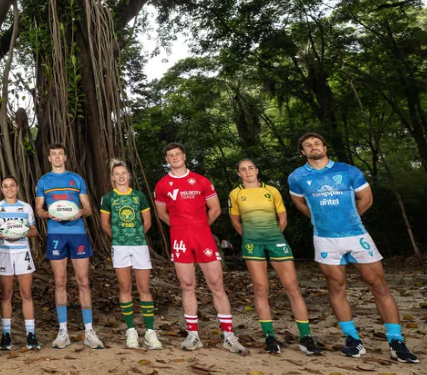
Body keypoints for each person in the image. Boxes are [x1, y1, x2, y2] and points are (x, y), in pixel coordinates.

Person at [289, 133, 418, 363]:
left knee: (378, 285)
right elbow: (299, 203)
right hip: (325, 238)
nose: (313, 147)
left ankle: (396, 341)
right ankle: (352, 339)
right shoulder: (297, 177)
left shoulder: (348, 170)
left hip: (357, 235)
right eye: (307, 145)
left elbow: (366, 199)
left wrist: (349, 219)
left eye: (317, 143)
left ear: (325, 147)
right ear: (302, 152)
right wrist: (320, 220)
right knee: (336, 286)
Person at [153, 143, 245, 354]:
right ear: (167, 159)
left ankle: (229, 335)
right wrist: (180, 227)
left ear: (184, 156)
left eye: (178, 154)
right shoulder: (162, 185)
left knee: (216, 284)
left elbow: (215, 209)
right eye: (170, 155)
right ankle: (193, 335)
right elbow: (161, 213)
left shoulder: (201, 181)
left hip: (202, 235)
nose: (175, 157)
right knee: (187, 285)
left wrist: (201, 226)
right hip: (180, 237)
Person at [228, 158, 322, 356]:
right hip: (252, 243)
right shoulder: (235, 193)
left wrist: (274, 235)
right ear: (238, 173)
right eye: (243, 169)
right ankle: (269, 337)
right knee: (261, 287)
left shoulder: (271, 190)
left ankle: (306, 337)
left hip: (275, 239)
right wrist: (248, 237)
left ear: (257, 170)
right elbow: (235, 221)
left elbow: (283, 217)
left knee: (292, 286)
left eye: (250, 168)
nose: (247, 172)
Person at [35, 143, 104, 349]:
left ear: (65, 157)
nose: (57, 157)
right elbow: (39, 210)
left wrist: (80, 212)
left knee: (83, 281)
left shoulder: (76, 179)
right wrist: (48, 214)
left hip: (77, 233)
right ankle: (63, 331)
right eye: (53, 154)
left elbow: (88, 208)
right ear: (49, 158)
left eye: (60, 154)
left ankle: (89, 331)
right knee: (60, 281)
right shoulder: (44, 181)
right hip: (56, 233)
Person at [99, 160, 162, 350]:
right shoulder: (108, 198)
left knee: (144, 287)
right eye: (117, 174)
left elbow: (147, 222)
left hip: (139, 246)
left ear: (129, 176)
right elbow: (104, 224)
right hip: (119, 247)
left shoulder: (139, 196)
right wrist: (119, 237)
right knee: (125, 286)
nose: (121, 176)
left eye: (123, 173)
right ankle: (131, 330)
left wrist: (135, 236)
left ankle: (150, 331)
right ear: (112, 177)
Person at [0, 176, 41, 351]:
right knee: (6, 294)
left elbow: (34, 231)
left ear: (17, 187)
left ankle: (31, 335)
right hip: (4, 253)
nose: (9, 189)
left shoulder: (26, 207)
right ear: (2, 189)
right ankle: (6, 335)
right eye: (5, 186)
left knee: (26, 293)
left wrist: (22, 232)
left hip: (22, 252)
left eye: (12, 186)